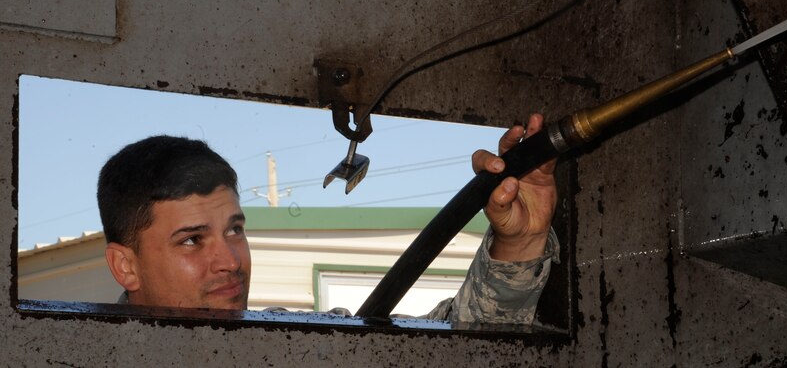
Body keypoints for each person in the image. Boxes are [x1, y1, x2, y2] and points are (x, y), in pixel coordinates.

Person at [100, 113, 559, 324]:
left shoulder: (296, 343)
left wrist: (519, 243)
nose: (229, 260)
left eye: (234, 230)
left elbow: (449, 347)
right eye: (192, 240)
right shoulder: (67, 348)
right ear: (125, 265)